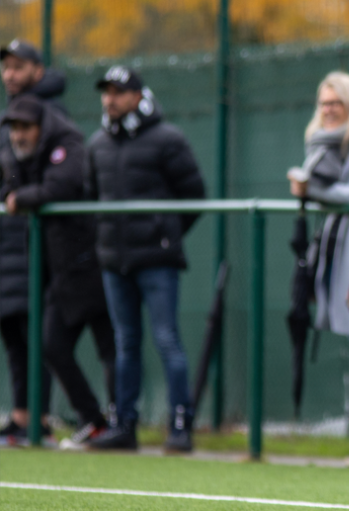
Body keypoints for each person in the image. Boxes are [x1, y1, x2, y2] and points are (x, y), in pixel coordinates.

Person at [85, 66, 206, 453]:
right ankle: (125, 426)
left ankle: (180, 426)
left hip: (156, 259)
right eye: (106, 92)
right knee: (126, 343)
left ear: (138, 95)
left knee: (167, 339)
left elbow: (194, 195)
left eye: (119, 91)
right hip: (114, 261)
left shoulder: (168, 139)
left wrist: (164, 235)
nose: (110, 99)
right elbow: (91, 196)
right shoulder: (97, 143)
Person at [0, 95, 117, 450]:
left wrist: (22, 198)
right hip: (61, 268)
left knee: (112, 347)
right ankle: (95, 420)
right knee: (50, 343)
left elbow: (59, 187)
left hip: (92, 260)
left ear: (41, 127)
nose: (18, 135)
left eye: (25, 127)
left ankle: (119, 422)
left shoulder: (66, 144)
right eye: (14, 128)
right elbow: (9, 186)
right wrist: (15, 193)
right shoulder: (20, 154)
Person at [286, 71, 349, 467]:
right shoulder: (323, 142)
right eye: (324, 103)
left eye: (336, 103)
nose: (329, 110)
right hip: (339, 254)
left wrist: (315, 190)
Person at [0, 38, 67, 445]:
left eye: (18, 67)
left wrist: (20, 197)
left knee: (36, 332)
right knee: (12, 332)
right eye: (6, 68)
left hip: (37, 240)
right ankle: (21, 414)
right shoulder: (8, 115)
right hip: (8, 240)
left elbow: (48, 179)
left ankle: (37, 417)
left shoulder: (52, 115)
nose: (10, 75)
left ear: (37, 71)